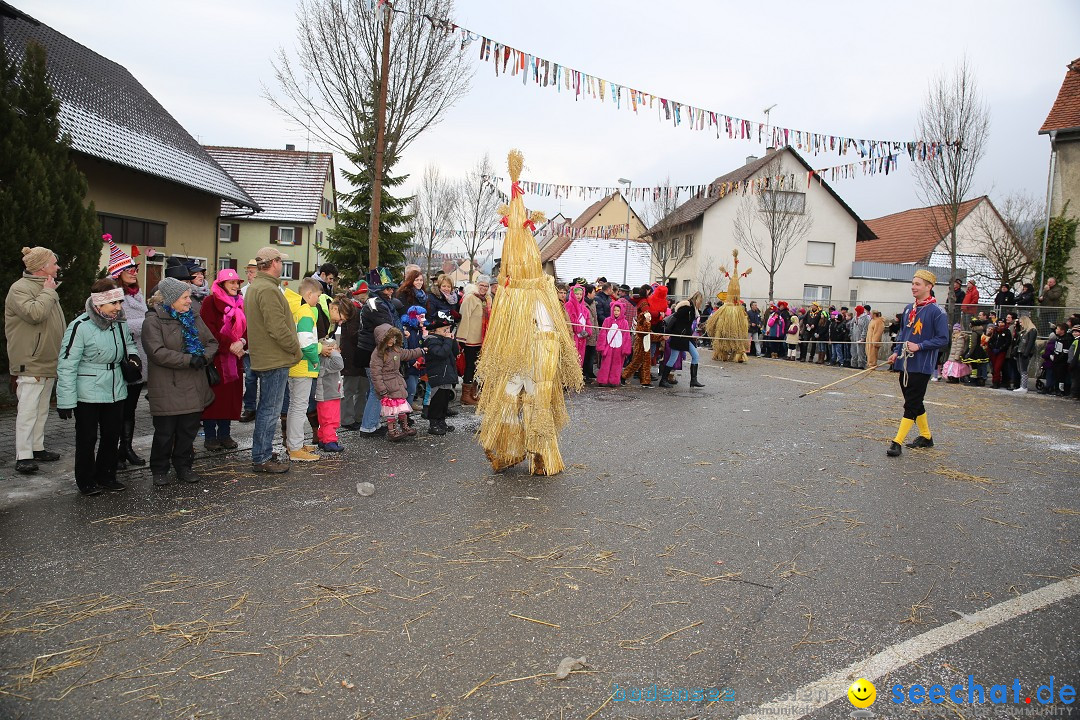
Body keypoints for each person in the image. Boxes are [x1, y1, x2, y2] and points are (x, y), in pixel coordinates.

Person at [55, 278, 138, 494]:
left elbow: (129, 344)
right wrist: (65, 401)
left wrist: (134, 358)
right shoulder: (79, 327)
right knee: (87, 439)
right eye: (114, 304)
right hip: (87, 393)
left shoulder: (118, 323)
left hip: (116, 389)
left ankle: (107, 475)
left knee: (111, 436)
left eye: (120, 302)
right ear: (99, 304)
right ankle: (86, 480)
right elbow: (67, 364)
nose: (118, 308)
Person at [142, 277, 218, 486]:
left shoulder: (193, 316)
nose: (189, 301)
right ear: (171, 298)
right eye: (185, 297)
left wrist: (204, 357)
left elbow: (211, 342)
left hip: (194, 385)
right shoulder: (153, 321)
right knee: (165, 432)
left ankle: (184, 466)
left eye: (189, 297)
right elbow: (157, 353)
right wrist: (189, 359)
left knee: (188, 431)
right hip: (168, 386)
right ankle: (159, 469)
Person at [6, 245, 66, 474]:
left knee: (41, 408)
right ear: (43, 267)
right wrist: (49, 292)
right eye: (54, 263)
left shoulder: (46, 287)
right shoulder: (20, 289)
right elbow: (34, 314)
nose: (58, 267)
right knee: (28, 409)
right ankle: (23, 455)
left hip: (48, 359)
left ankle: (36, 447)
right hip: (30, 360)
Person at [245, 247, 302, 473]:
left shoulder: (256, 287)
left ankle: (263, 451)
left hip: (266, 356)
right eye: (280, 261)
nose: (282, 265)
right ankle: (262, 457)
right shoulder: (267, 289)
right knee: (270, 409)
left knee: (266, 408)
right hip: (274, 358)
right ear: (274, 263)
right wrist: (295, 350)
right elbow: (277, 328)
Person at [886, 269, 950, 457]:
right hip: (905, 363)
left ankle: (896, 442)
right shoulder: (909, 308)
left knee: (911, 402)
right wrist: (896, 352)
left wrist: (920, 346)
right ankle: (926, 436)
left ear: (929, 287)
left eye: (918, 284)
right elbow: (904, 334)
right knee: (914, 401)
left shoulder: (937, 311)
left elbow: (943, 339)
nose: (913, 287)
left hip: (922, 365)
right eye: (913, 283)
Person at [106, 237, 149, 469]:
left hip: (137, 360)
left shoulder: (136, 294)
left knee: (130, 409)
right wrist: (147, 323)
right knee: (117, 410)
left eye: (135, 269)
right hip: (121, 361)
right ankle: (113, 452)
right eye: (129, 270)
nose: (134, 273)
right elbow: (118, 324)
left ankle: (126, 448)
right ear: (118, 273)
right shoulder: (113, 296)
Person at [199, 268, 246, 451]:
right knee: (214, 398)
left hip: (235, 358)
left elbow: (246, 328)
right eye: (231, 282)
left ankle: (225, 434)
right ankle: (210, 436)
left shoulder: (240, 303)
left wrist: (242, 342)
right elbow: (208, 329)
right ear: (221, 284)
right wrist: (230, 344)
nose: (235, 285)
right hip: (217, 358)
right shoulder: (210, 302)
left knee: (230, 399)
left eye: (237, 282)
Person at [355, 273, 400, 436]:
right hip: (372, 351)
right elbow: (385, 328)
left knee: (373, 389)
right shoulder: (376, 304)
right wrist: (396, 337)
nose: (390, 292)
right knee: (377, 390)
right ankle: (368, 427)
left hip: (369, 350)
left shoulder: (377, 302)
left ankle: (371, 423)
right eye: (387, 289)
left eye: (391, 289)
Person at [285, 277, 324, 462]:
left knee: (295, 406)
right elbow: (306, 342)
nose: (318, 299)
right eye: (317, 296)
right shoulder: (305, 311)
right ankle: (295, 448)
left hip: (295, 365)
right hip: (303, 365)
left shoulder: (295, 308)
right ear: (309, 294)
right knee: (299, 407)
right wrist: (316, 358)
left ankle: (296, 443)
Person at [369, 323, 425, 441]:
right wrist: (382, 390)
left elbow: (408, 353)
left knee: (401, 407)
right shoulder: (378, 354)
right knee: (391, 410)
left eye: (394, 337)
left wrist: (421, 351)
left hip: (397, 382)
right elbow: (375, 374)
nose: (392, 340)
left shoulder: (396, 349)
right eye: (389, 338)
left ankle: (404, 426)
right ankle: (392, 431)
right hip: (387, 385)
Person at [422, 311, 458, 435]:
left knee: (444, 401)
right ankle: (433, 424)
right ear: (436, 330)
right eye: (444, 329)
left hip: (446, 374)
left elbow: (455, 351)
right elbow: (441, 353)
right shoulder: (431, 340)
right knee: (437, 401)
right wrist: (448, 341)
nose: (447, 332)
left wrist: (452, 340)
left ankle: (441, 421)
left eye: (448, 329)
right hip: (438, 374)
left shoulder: (444, 339)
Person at [456, 275, 490, 406]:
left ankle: (472, 393)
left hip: (481, 339)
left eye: (486, 286)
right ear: (477, 284)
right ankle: (465, 395)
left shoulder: (486, 299)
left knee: (477, 366)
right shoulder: (470, 298)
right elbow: (464, 318)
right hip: (470, 338)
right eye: (481, 285)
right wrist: (462, 338)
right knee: (470, 365)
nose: (483, 288)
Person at [334, 295, 364, 430]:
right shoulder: (353, 315)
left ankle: (358, 417)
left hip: (357, 358)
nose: (340, 321)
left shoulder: (356, 314)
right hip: (352, 359)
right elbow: (351, 339)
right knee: (350, 390)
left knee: (360, 390)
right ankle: (348, 419)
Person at [662, 291, 705, 388]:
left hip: (685, 337)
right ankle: (663, 380)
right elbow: (674, 318)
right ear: (697, 300)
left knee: (695, 355)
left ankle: (693, 380)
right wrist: (667, 332)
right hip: (679, 336)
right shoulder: (687, 308)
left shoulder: (692, 309)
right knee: (673, 358)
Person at [314, 333, 345, 452]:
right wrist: (334, 352)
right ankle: (330, 441)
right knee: (331, 420)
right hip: (330, 395)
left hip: (326, 395)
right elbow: (339, 364)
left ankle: (323, 438)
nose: (338, 351)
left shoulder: (321, 360)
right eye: (335, 348)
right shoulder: (328, 361)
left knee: (324, 420)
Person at [238, 260, 259, 424]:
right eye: (248, 272)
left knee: (265, 379)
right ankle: (250, 407)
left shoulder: (272, 290)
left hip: (262, 344)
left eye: (251, 272)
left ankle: (264, 408)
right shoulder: (242, 292)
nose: (249, 275)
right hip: (247, 342)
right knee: (250, 378)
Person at [597, 302, 630, 387]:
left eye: (618, 310)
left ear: (621, 311)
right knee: (605, 363)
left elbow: (626, 337)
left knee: (617, 364)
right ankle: (603, 380)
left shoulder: (624, 322)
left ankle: (613, 381)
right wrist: (601, 346)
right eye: (614, 310)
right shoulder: (607, 320)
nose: (616, 312)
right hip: (608, 346)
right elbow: (603, 334)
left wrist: (625, 349)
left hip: (619, 348)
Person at [1040, 323, 1071, 395]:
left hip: (1061, 362)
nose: (1056, 330)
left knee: (1061, 377)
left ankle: (1061, 390)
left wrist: (1058, 359)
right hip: (1055, 360)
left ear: (1062, 331)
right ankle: (1055, 389)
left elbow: (1065, 352)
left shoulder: (1066, 339)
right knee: (1056, 376)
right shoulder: (1058, 338)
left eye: (1058, 329)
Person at [565, 283, 589, 368]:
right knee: (573, 357)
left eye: (580, 294)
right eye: (576, 294)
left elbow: (588, 320)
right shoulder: (569, 305)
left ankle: (578, 376)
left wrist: (588, 331)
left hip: (582, 337)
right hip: (573, 335)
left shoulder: (584, 308)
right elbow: (571, 320)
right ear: (572, 294)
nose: (579, 296)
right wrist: (579, 329)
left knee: (580, 357)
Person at [1013, 315, 1038, 393]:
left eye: (1021, 322)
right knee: (1020, 369)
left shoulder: (1032, 330)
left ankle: (1024, 386)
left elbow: (1030, 342)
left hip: (1025, 352)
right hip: (1020, 351)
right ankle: (1022, 386)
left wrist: (1026, 353)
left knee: (1024, 370)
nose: (1020, 324)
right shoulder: (1024, 331)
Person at [583, 285, 599, 382]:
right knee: (586, 354)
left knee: (592, 354)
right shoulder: (583, 304)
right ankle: (586, 373)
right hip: (587, 332)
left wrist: (597, 332)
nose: (595, 294)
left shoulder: (593, 303)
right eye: (593, 292)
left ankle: (590, 371)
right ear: (589, 293)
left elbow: (595, 318)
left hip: (593, 331)